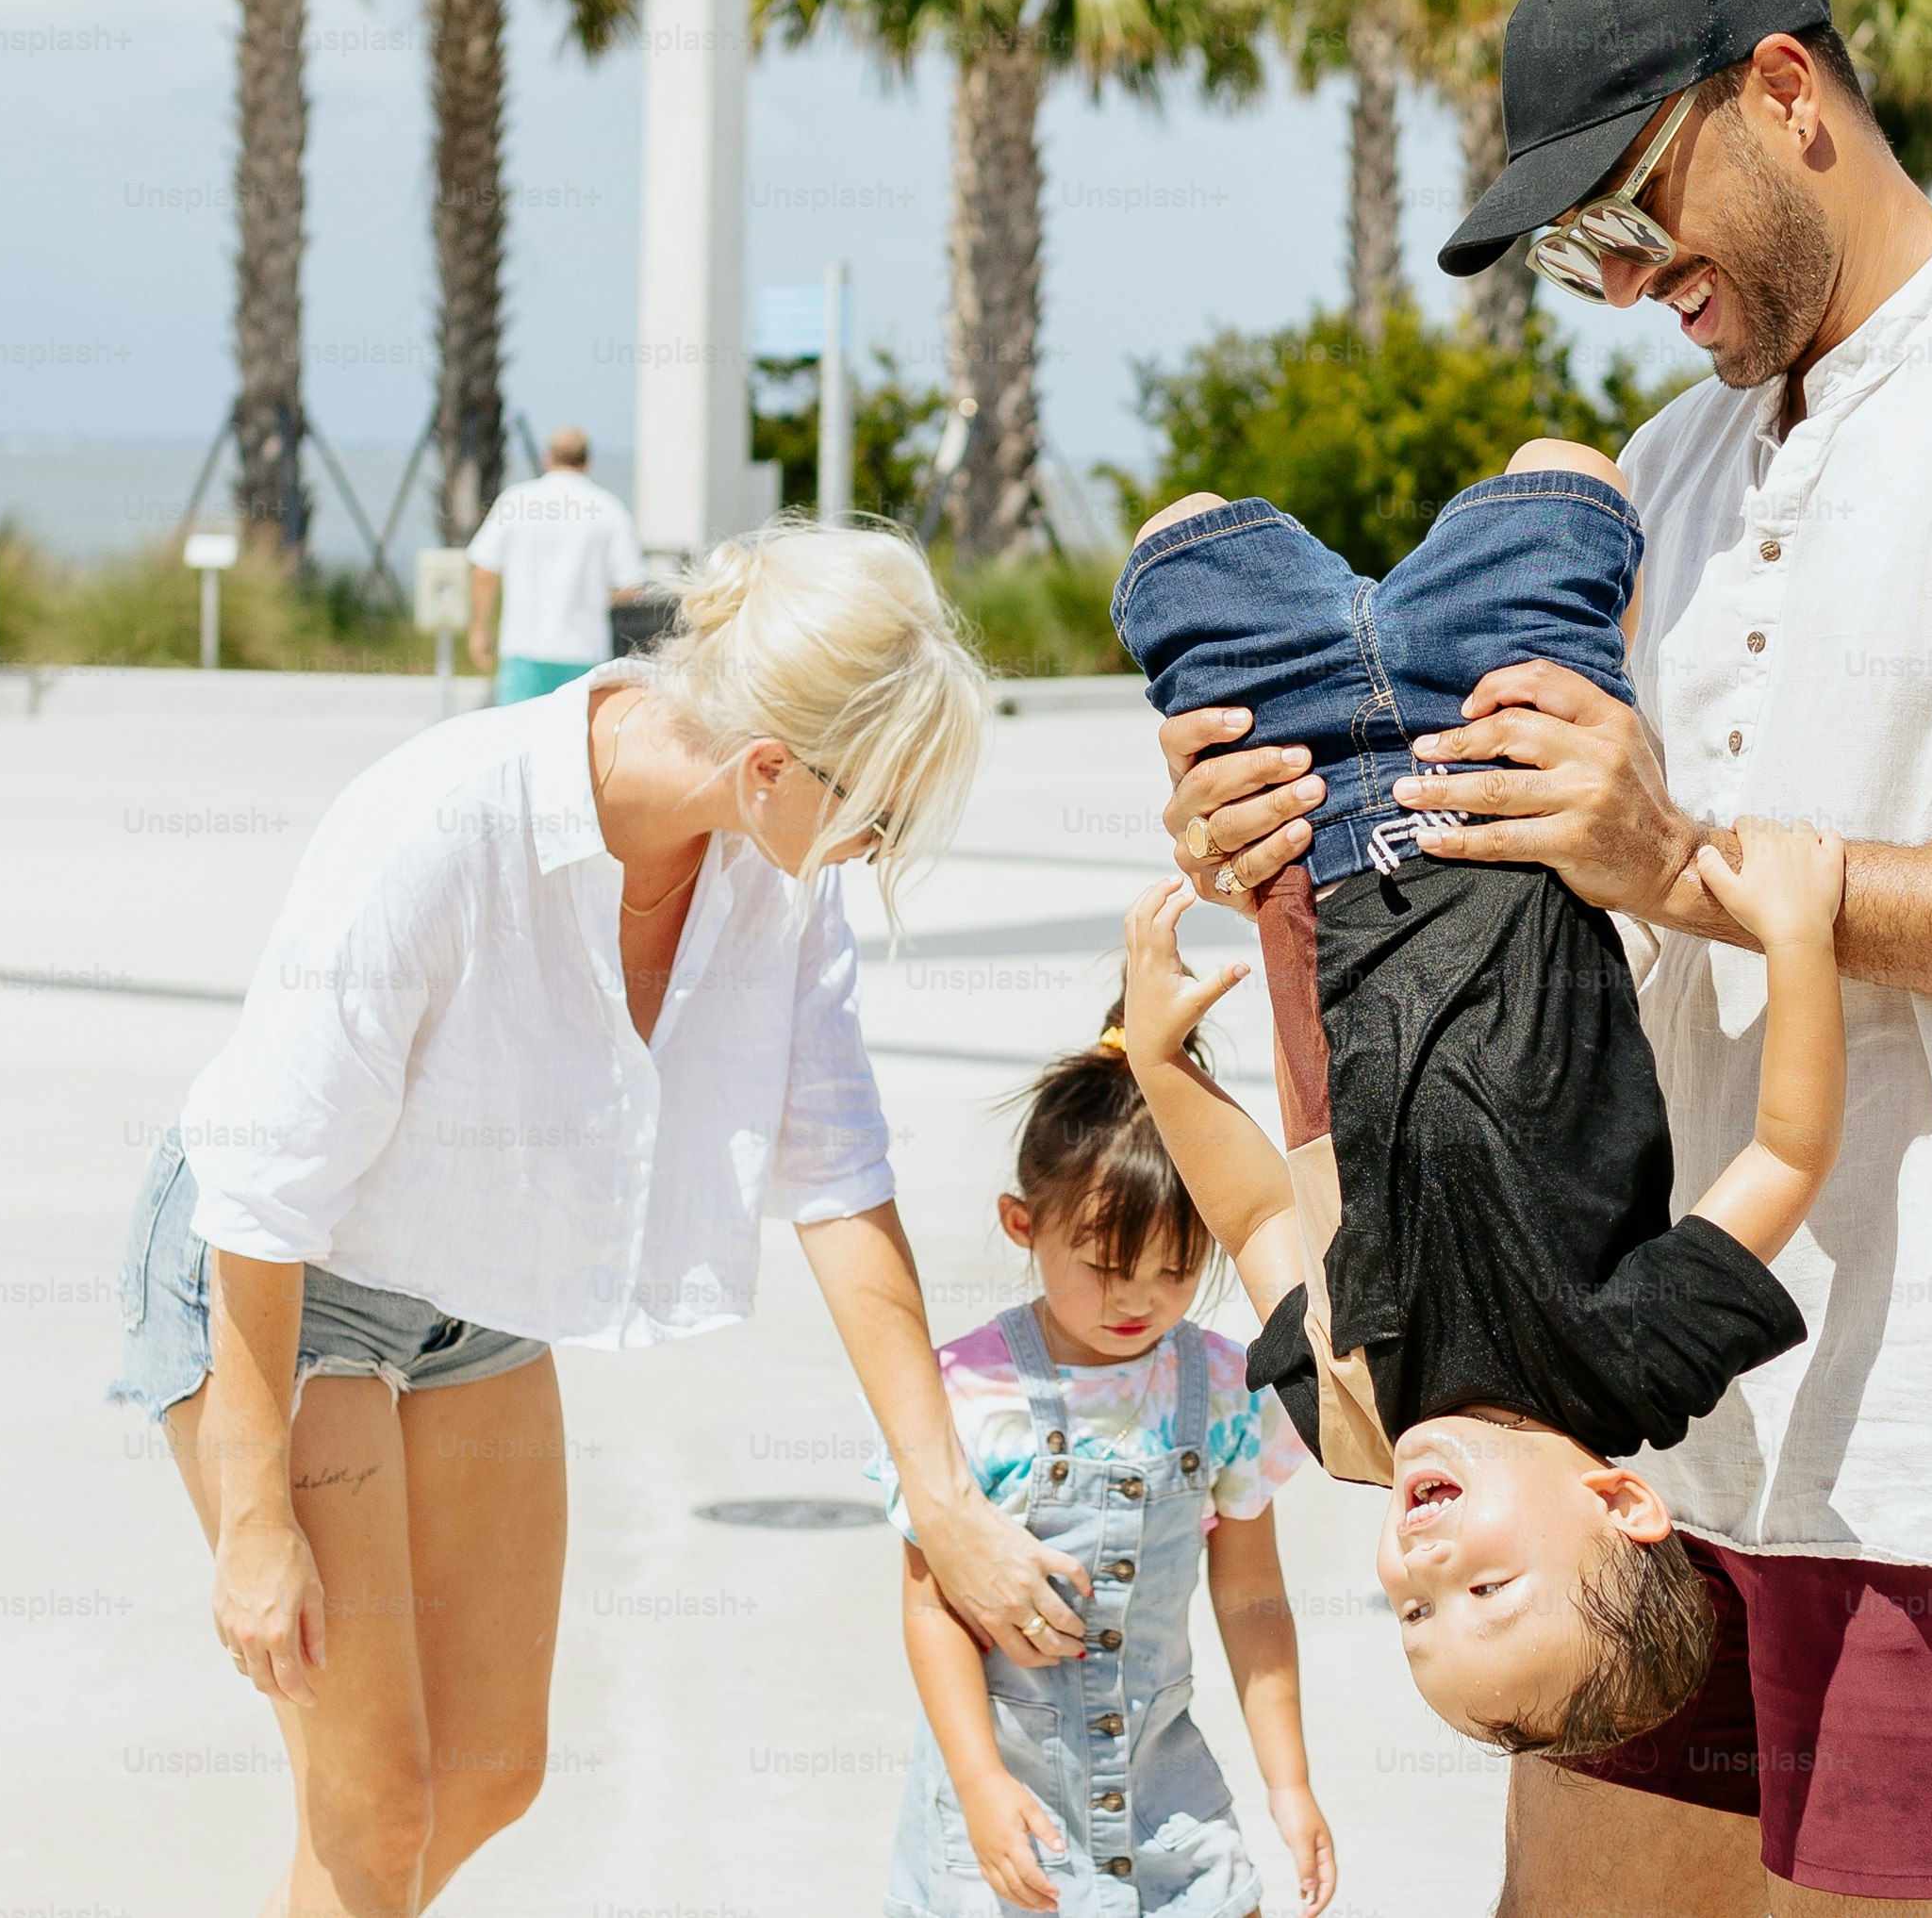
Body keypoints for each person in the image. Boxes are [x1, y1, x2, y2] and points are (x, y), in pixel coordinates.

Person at [1156, 0, 1932, 1914]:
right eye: (1577, 251)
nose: (1622, 281)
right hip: (1640, 1427)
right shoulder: (1665, 466)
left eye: (1629, 210)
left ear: (1785, 94)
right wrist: (1271, 842)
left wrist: (1683, 859)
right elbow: (1539, 922)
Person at [112, 523, 1094, 1918]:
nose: (875, 846)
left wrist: (944, 1503)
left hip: (477, 1283)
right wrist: (255, 1515)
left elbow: (837, 1175)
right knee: (376, 1806)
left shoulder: (777, 876)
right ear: (768, 767)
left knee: (492, 1768)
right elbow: (263, 1190)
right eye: (875, 810)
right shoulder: (442, 823)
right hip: (281, 1274)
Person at [1119, 768, 1843, 1758]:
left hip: (1310, 850)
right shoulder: (1631, 1362)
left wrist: (1160, 1065)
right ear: (1620, 1504)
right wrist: (1798, 938)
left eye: (1414, 1613)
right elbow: (1786, 1157)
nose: (1425, 1568)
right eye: (1487, 1589)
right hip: (1493, 797)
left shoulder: (1350, 1415)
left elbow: (1255, 1221)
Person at [871, 1007, 1335, 1918]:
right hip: (1007, 1799)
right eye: (1107, 1264)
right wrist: (978, 1784)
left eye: (1175, 1269)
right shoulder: (966, 1394)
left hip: (1165, 1794)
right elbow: (932, 1607)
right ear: (1022, 1223)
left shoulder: (1223, 1388)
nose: (1139, 1298)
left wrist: (1289, 1783)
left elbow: (1252, 1595)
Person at [465, 425, 646, 703]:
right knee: (575, 730)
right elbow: (631, 587)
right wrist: (593, 598)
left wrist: (479, 630)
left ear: (547, 459)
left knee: (518, 728)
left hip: (523, 648)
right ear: (587, 462)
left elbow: (484, 572)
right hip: (584, 650)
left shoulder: (516, 501)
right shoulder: (610, 509)